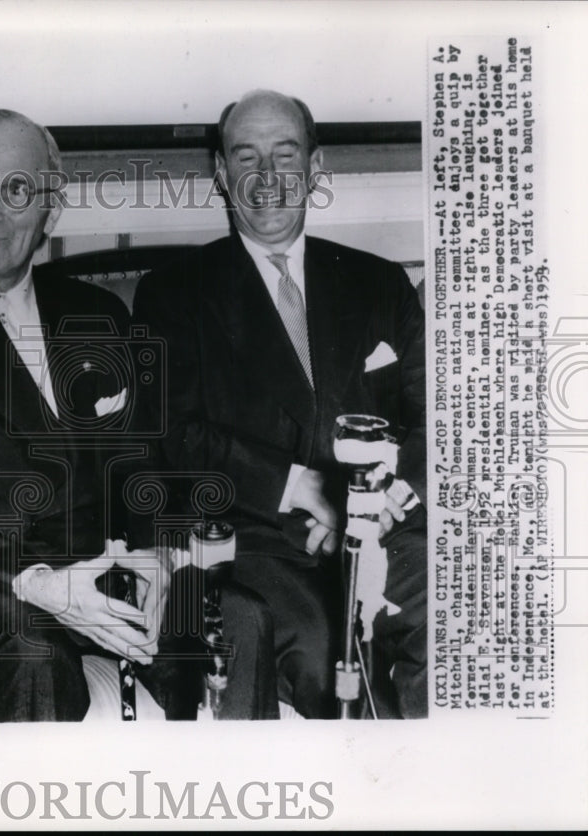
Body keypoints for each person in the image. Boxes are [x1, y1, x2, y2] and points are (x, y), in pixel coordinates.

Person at [0, 109, 278, 722]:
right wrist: (40, 584)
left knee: (235, 618)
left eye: (15, 190)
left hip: (106, 567)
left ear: (51, 211)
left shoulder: (97, 313)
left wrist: (161, 559)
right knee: (34, 656)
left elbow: (146, 465)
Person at [132, 89, 427, 719]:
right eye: (246, 158)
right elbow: (176, 436)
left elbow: (436, 416)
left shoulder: (378, 282)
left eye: (285, 156)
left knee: (466, 612)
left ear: (315, 169)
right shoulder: (174, 295)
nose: (267, 179)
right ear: (220, 173)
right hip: (266, 544)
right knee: (332, 662)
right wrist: (304, 486)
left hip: (390, 532)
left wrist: (384, 503)